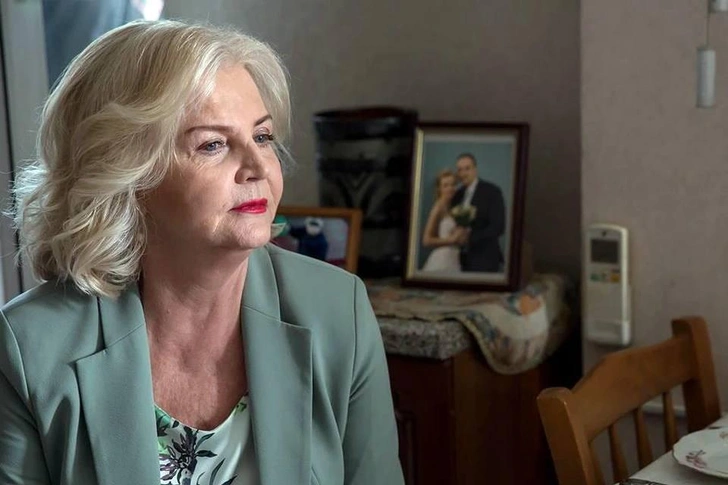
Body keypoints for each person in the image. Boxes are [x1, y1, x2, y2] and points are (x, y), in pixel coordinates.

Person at [0, 20, 403, 485]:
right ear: (127, 174)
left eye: (262, 137)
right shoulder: (29, 348)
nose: (256, 167)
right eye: (213, 145)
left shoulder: (338, 310)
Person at [450, 153, 506, 272]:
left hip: (485, 259)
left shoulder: (492, 191)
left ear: (475, 169)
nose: (463, 173)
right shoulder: (456, 195)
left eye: (467, 168)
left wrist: (470, 238)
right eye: (460, 170)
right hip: (458, 260)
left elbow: (498, 227)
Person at [421, 169, 467, 272]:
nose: (450, 188)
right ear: (439, 189)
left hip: (454, 257)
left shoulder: (453, 208)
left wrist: (461, 237)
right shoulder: (438, 207)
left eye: (453, 184)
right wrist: (450, 240)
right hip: (442, 260)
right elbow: (426, 240)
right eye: (445, 185)